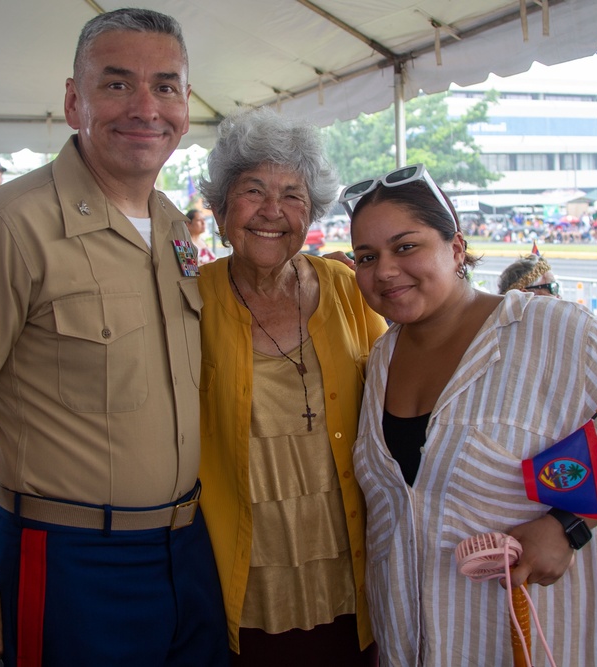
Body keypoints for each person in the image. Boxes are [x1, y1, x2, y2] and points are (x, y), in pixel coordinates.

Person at [0, 9, 227, 667]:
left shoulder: (172, 225)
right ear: (73, 100)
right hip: (71, 556)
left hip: (191, 548)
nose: (146, 107)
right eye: (117, 85)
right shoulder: (9, 223)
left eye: (166, 86)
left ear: (186, 104)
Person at [344, 165, 597, 666]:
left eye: (406, 246)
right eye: (367, 257)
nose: (385, 270)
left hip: (552, 633)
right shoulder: (380, 360)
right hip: (424, 640)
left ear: (456, 249)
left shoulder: (553, 329)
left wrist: (567, 524)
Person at [197, 108, 385, 665]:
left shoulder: (347, 287)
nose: (272, 211)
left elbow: (391, 384)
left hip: (348, 553)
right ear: (221, 207)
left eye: (293, 195)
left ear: (313, 212)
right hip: (245, 561)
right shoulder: (189, 297)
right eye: (253, 191)